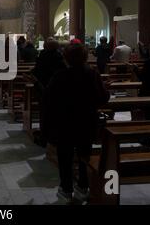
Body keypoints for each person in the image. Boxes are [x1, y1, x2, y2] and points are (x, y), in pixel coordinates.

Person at [42, 42, 110, 203]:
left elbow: (48, 99)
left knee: (64, 157)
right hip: (86, 122)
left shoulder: (60, 76)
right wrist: (105, 89)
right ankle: (83, 186)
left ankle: (66, 189)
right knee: (84, 156)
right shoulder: (92, 74)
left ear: (66, 58)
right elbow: (102, 98)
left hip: (64, 124)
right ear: (85, 57)